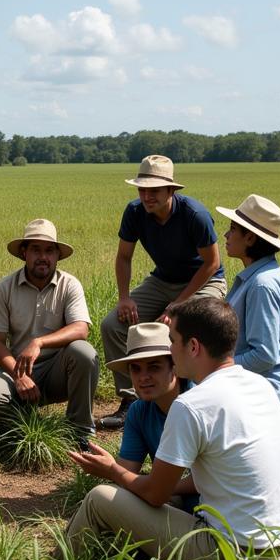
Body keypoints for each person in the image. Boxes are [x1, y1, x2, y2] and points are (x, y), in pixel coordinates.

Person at [64, 298, 280, 560]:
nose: (170, 348)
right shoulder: (261, 385)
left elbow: (156, 495)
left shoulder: (192, 403)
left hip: (240, 557)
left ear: (193, 347)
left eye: (172, 340)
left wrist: (111, 470)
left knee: (99, 499)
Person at [99, 155, 226, 429]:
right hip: (163, 280)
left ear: (171, 190)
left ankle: (192, 399)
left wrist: (177, 305)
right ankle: (131, 400)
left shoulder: (195, 215)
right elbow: (123, 257)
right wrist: (124, 298)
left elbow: (212, 263)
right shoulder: (134, 212)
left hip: (205, 281)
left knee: (185, 325)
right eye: (142, 189)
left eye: (154, 190)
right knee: (113, 325)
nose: (146, 196)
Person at [0, 219, 99, 449]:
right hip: (18, 368)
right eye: (36, 249)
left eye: (49, 250)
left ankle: (79, 431)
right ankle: (20, 430)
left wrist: (39, 342)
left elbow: (81, 329)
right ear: (24, 253)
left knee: (84, 352)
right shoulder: (5, 287)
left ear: (57, 256)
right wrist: (18, 375)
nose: (43, 257)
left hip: (58, 370)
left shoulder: (69, 284)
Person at [101, 322, 196, 511]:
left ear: (175, 367)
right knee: (106, 497)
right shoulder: (139, 411)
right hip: (170, 502)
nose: (143, 377)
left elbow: (207, 481)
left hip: (216, 514)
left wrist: (153, 488)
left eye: (153, 367)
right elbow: (127, 472)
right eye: (135, 369)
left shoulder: (198, 404)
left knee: (100, 499)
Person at [215, 194, 280, 406]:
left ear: (250, 238)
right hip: (249, 385)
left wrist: (216, 367)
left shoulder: (262, 285)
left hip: (258, 393)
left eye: (233, 229)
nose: (226, 234)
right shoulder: (258, 277)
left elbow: (264, 355)